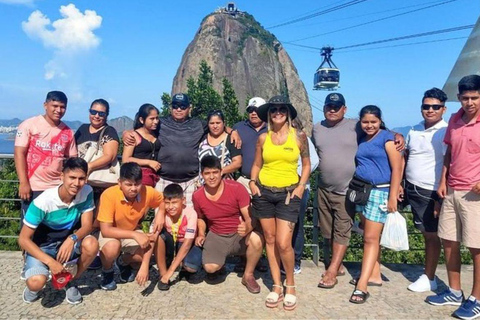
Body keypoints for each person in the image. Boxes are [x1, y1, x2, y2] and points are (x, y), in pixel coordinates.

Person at [313, 93, 404, 289]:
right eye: (329, 106)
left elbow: (380, 133)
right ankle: (359, 270)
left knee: (344, 230)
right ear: (324, 108)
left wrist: (398, 135)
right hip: (324, 188)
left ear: (344, 109)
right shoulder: (317, 128)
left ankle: (332, 270)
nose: (332, 109)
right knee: (328, 232)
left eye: (337, 107)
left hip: (350, 190)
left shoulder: (355, 126)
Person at [426, 75, 480, 320]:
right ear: (458, 98)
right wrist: (442, 180)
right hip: (452, 190)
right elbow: (449, 153)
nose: (470, 102)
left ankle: (477, 299)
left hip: (474, 194)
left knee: (476, 247)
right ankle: (454, 291)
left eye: (475, 98)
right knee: (449, 240)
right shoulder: (455, 121)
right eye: (465, 98)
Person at [250, 95, 311, 311]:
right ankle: (276, 285)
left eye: (282, 109)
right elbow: (257, 164)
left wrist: (301, 186)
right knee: (270, 239)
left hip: (288, 195)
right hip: (265, 193)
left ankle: (290, 286)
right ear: (269, 113)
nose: (277, 113)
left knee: (284, 243)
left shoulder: (299, 136)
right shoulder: (262, 139)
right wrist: (252, 182)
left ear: (288, 113)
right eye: (273, 109)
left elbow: (306, 164)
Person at [123, 93, 240, 206]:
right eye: (175, 106)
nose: (179, 109)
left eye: (183, 106)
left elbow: (216, 125)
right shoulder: (160, 123)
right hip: (164, 179)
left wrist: (233, 131)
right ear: (171, 108)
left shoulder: (198, 124)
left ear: (189, 108)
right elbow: (144, 128)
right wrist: (126, 133)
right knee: (161, 217)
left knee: (188, 218)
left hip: (190, 181)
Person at [18, 157, 98, 305]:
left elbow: (87, 226)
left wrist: (72, 239)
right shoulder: (44, 202)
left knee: (92, 244)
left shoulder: (86, 192)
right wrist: (50, 262)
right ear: (62, 176)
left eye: (81, 178)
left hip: (66, 243)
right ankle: (33, 283)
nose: (76, 183)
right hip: (42, 246)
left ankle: (69, 279)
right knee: (36, 282)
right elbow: (23, 239)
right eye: (72, 177)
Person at [349, 105, 403, 304]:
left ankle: (362, 285)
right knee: (368, 235)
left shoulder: (387, 138)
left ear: (380, 121)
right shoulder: (362, 139)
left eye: (373, 122)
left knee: (370, 239)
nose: (369, 125)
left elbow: (397, 168)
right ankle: (374, 275)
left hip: (380, 192)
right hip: (363, 191)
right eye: (365, 122)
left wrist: (392, 196)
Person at [192, 156, 264, 294]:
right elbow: (200, 218)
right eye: (207, 173)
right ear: (202, 175)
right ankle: (220, 264)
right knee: (210, 268)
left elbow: (250, 217)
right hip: (216, 235)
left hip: (239, 234)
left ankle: (248, 275)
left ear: (221, 172)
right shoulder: (198, 195)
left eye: (215, 172)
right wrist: (201, 234)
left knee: (257, 238)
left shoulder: (236, 188)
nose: (211, 177)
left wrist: (248, 227)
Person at [404, 88, 448, 292]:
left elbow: (450, 163)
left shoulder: (446, 132)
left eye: (435, 107)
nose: (430, 110)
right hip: (410, 187)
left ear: (443, 109)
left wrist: (440, 197)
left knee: (431, 235)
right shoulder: (414, 129)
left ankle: (429, 277)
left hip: (430, 191)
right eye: (426, 106)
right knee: (424, 231)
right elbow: (407, 154)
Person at [96, 162, 165, 290]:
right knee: (112, 247)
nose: (133, 188)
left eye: (137, 184)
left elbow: (163, 201)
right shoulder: (108, 195)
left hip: (131, 230)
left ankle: (122, 261)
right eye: (128, 184)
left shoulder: (147, 191)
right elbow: (106, 230)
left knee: (150, 244)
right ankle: (107, 271)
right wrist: (135, 234)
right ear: (119, 183)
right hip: (112, 234)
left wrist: (160, 212)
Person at [15, 91, 77, 220]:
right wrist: (23, 182)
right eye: (54, 106)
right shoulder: (29, 125)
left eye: (62, 107)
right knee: (30, 227)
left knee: (51, 229)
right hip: (33, 187)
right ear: (45, 105)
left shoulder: (68, 132)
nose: (58, 110)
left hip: (57, 188)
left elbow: (73, 161)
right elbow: (19, 153)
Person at [156, 183, 202, 291]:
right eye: (167, 203)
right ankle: (162, 274)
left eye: (174, 202)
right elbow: (154, 235)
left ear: (183, 200)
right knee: (159, 237)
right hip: (172, 241)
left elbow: (187, 244)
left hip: (186, 242)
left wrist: (171, 272)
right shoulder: (163, 213)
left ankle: (183, 268)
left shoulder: (191, 213)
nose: (170, 207)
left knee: (191, 267)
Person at [75, 98, 119, 203]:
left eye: (101, 113)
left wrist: (88, 167)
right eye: (93, 112)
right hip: (79, 182)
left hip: (99, 185)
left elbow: (109, 156)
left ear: (106, 115)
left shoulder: (109, 131)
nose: (97, 116)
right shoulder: (82, 128)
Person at [291, 118, 319, 274]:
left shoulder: (304, 139)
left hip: (300, 188)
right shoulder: (277, 139)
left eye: (294, 125)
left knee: (297, 225)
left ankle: (296, 261)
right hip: (280, 188)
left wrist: (299, 176)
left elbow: (314, 161)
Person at [233, 97, 267, 193]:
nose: (253, 113)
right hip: (244, 182)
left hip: (267, 183)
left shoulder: (272, 128)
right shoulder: (239, 127)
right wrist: (232, 131)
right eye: (250, 110)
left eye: (257, 110)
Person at [122, 103, 161, 187]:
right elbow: (125, 159)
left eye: (157, 118)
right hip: (139, 179)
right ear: (142, 120)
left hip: (156, 178)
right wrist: (148, 162)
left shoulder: (157, 133)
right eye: (152, 119)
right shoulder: (133, 136)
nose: (155, 121)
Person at [198, 109, 242, 183]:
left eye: (218, 123)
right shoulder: (202, 137)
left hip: (224, 183)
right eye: (212, 123)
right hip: (204, 184)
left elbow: (238, 162)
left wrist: (219, 172)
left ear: (224, 123)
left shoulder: (230, 139)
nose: (215, 126)